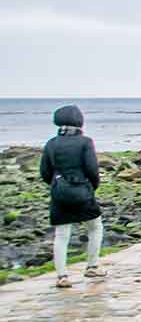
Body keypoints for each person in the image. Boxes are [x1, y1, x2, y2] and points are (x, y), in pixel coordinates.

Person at [39, 104, 103, 288]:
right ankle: (92, 265)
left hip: (60, 191)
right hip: (82, 189)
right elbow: (92, 169)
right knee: (95, 227)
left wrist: (56, 184)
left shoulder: (52, 143)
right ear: (79, 122)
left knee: (61, 235)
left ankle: (62, 275)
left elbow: (45, 171)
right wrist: (92, 186)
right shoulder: (85, 142)